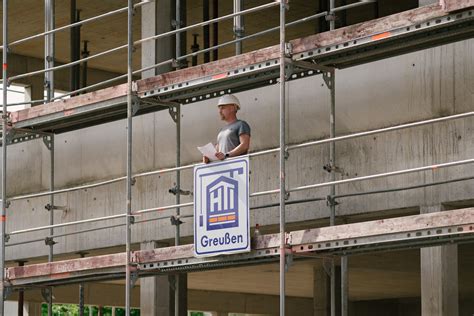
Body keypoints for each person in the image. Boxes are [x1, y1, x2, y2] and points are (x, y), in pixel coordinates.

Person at [203, 94, 251, 163]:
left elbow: (244, 145)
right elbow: (217, 152)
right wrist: (209, 158)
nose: (220, 111)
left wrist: (226, 155)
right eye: (219, 108)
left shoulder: (241, 124)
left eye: (222, 108)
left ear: (233, 108)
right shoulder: (221, 131)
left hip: (236, 166)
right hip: (225, 168)